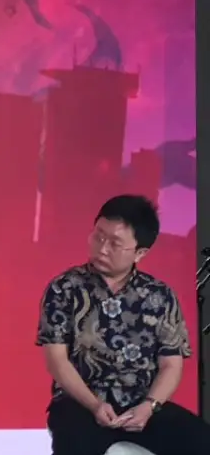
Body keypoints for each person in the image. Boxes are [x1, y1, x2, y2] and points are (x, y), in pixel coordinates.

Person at [37, 194, 210, 455]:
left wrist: (150, 405)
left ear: (140, 252)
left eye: (115, 243)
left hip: (141, 404)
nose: (102, 248)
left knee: (201, 441)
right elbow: (56, 361)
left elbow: (171, 364)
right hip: (80, 404)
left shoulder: (160, 296)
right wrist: (95, 405)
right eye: (98, 236)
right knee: (76, 442)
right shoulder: (64, 288)